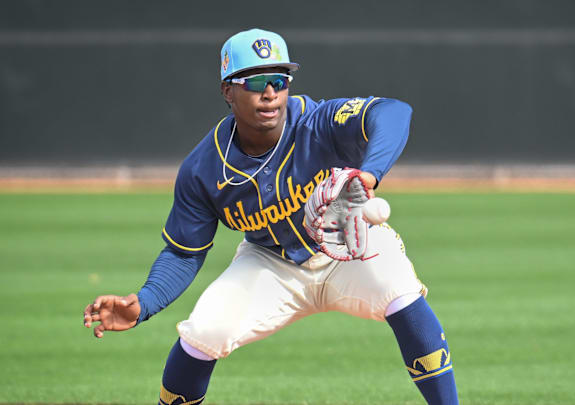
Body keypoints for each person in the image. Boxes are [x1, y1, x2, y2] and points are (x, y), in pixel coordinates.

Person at [83, 28, 458, 405]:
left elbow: (392, 112)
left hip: (348, 244)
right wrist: (144, 302)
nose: (270, 93)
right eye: (257, 81)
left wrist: (370, 173)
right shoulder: (202, 168)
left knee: (398, 290)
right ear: (228, 91)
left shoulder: (318, 120)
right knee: (204, 332)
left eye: (279, 81)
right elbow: (184, 252)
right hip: (270, 262)